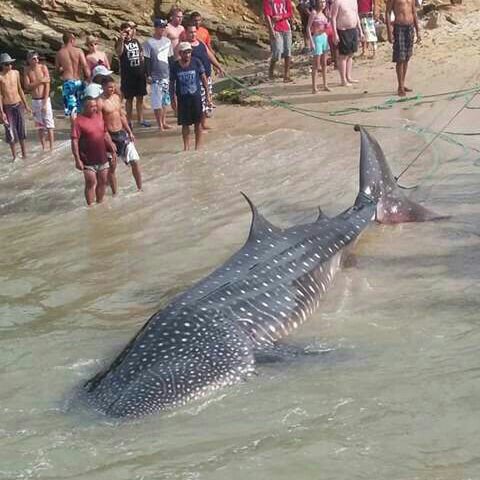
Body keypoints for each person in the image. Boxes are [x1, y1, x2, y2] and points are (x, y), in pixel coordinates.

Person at [71, 87, 117, 206]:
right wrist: (77, 159)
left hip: (102, 156)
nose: (95, 108)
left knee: (102, 181)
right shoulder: (78, 121)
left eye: (95, 106)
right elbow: (74, 141)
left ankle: (99, 204)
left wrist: (111, 146)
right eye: (92, 106)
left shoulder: (99, 117)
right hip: (87, 159)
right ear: (84, 108)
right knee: (91, 182)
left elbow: (105, 133)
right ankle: (90, 207)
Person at [101, 77, 142, 191]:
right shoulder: (100, 102)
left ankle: (140, 189)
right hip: (109, 135)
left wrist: (129, 131)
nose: (112, 89)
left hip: (122, 133)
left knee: (135, 161)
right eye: (109, 87)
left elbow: (121, 116)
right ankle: (115, 194)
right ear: (103, 87)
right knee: (112, 168)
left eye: (113, 86)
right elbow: (100, 125)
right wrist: (109, 142)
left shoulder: (116, 97)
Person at [181, 24, 224, 130]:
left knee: (207, 101)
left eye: (195, 32)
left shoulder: (200, 43)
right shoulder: (185, 47)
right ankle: (198, 125)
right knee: (198, 102)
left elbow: (209, 55)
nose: (193, 34)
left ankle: (203, 124)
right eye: (190, 32)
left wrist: (218, 66)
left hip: (207, 76)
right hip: (194, 80)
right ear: (186, 33)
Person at [169, 42, 211, 151]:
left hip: (196, 98)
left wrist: (208, 96)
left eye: (189, 52)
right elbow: (171, 85)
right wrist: (173, 100)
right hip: (182, 99)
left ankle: (197, 147)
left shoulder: (196, 62)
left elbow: (204, 80)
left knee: (198, 123)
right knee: (185, 125)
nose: (187, 55)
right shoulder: (175, 66)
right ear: (180, 53)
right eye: (185, 52)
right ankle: (186, 147)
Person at [115, 22, 150, 127]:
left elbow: (141, 56)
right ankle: (129, 121)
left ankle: (141, 119)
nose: (128, 32)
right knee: (129, 99)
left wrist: (146, 73)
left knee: (140, 98)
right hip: (128, 75)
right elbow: (119, 52)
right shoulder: (120, 42)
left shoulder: (136, 41)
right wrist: (121, 39)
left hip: (139, 74)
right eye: (125, 30)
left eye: (129, 30)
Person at [386, 0, 421, 96]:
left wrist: (418, 30)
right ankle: (400, 86)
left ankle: (402, 83)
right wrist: (389, 31)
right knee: (400, 58)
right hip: (399, 28)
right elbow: (388, 12)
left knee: (406, 57)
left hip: (410, 27)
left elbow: (414, 12)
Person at [144, 18, 173, 131]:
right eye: (160, 27)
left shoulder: (167, 41)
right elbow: (146, 60)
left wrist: (172, 73)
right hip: (155, 76)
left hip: (166, 74)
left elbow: (170, 58)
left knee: (165, 100)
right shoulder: (149, 42)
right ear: (155, 28)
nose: (162, 29)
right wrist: (148, 75)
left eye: (164, 27)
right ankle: (159, 124)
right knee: (157, 102)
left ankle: (164, 121)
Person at [0, 53, 31, 160]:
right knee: (10, 132)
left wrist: (26, 105)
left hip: (18, 104)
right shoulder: (0, 77)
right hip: (7, 107)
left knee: (21, 130)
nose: (9, 66)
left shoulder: (16, 73)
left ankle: (24, 155)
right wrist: (1, 112)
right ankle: (14, 157)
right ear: (2, 65)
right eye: (7, 64)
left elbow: (20, 89)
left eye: (10, 64)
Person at [24, 51, 55, 151]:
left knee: (49, 125)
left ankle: (51, 148)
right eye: (34, 58)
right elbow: (27, 87)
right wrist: (41, 80)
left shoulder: (43, 67)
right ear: (29, 60)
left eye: (37, 58)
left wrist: (45, 103)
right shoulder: (27, 70)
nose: (37, 60)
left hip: (44, 99)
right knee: (40, 126)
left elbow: (47, 85)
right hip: (35, 100)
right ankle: (43, 148)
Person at [55, 32, 90, 120]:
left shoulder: (60, 53)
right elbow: (85, 66)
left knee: (71, 111)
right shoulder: (79, 51)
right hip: (78, 81)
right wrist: (88, 78)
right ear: (71, 40)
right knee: (81, 108)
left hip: (68, 82)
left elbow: (56, 71)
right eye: (74, 39)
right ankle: (81, 130)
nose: (75, 41)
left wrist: (62, 70)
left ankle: (74, 131)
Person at [331, 0, 363, 86]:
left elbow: (356, 15)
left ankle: (348, 77)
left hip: (353, 29)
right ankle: (343, 80)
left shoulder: (354, 1)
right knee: (343, 56)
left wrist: (360, 30)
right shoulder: (337, 2)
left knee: (351, 55)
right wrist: (335, 33)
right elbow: (333, 18)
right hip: (343, 30)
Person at [263, 0, 293, 82]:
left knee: (288, 50)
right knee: (277, 51)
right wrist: (271, 30)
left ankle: (286, 75)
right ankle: (271, 68)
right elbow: (267, 16)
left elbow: (290, 12)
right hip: (275, 28)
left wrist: (281, 16)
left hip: (286, 27)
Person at [308, 0, 331, 93]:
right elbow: (308, 28)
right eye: (321, 2)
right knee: (316, 64)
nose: (323, 4)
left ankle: (325, 84)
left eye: (324, 2)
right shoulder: (314, 13)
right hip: (317, 38)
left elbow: (326, 26)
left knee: (324, 63)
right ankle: (314, 87)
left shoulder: (324, 13)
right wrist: (311, 41)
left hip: (324, 37)